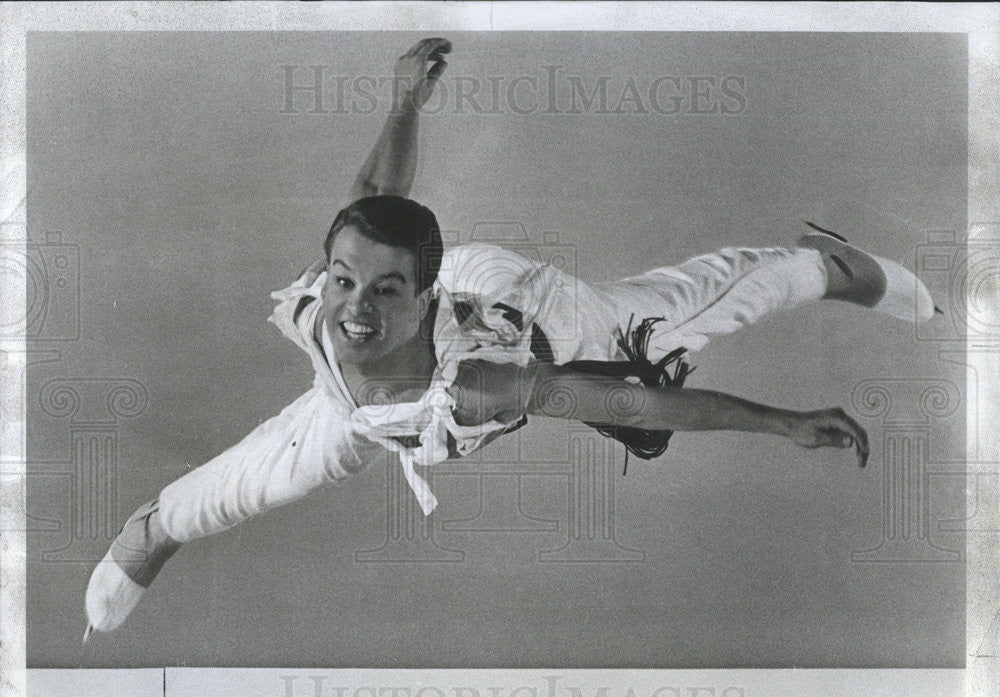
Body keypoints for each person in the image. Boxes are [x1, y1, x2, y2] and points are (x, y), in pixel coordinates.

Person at [83, 38, 936, 640]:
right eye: (345, 281)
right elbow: (373, 194)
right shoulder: (327, 308)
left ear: (420, 299)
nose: (353, 311)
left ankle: (836, 267)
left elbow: (637, 399)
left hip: (542, 317)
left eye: (382, 291)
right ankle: (147, 533)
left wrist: (783, 422)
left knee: (727, 294)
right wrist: (404, 97)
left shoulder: (486, 384)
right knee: (244, 484)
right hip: (379, 383)